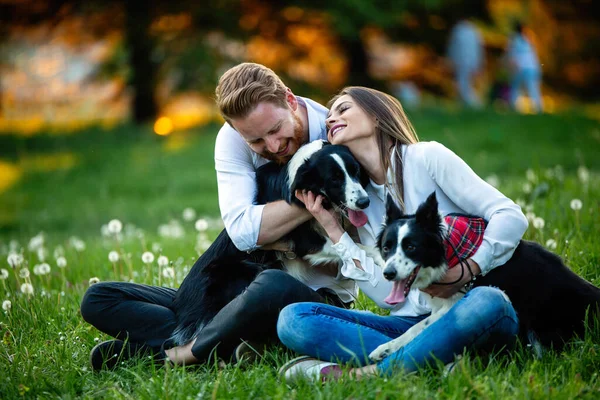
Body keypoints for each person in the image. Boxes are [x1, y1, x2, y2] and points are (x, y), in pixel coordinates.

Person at [80, 63, 356, 370]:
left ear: (290, 101)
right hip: (236, 290)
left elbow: (351, 246)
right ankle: (223, 344)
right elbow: (241, 232)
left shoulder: (334, 134)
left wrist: (278, 224)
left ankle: (182, 354)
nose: (274, 146)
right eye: (256, 142)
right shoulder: (233, 137)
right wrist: (317, 193)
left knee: (270, 284)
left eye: (276, 129)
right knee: (98, 298)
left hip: (308, 296)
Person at [277, 86, 529, 382]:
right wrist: (333, 229)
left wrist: (469, 269)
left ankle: (365, 375)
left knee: (489, 301)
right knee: (294, 319)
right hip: (410, 324)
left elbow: (510, 216)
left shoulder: (427, 158)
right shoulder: (360, 201)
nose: (330, 119)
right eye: (329, 116)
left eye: (343, 109)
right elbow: (388, 298)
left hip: (468, 307)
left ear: (376, 116)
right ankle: (440, 356)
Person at [447, 19, 484, 108]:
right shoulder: (475, 31)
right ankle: (469, 103)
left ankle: (472, 104)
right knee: (466, 83)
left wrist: (451, 59)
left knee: (463, 83)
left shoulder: (458, 30)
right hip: (471, 61)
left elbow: (452, 47)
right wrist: (479, 63)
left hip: (462, 61)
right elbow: (479, 49)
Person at [506, 22, 543, 113]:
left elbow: (510, 55)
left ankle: (515, 106)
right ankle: (537, 108)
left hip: (520, 68)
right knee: (532, 88)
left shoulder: (514, 39)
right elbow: (533, 55)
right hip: (530, 67)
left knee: (516, 88)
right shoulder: (528, 39)